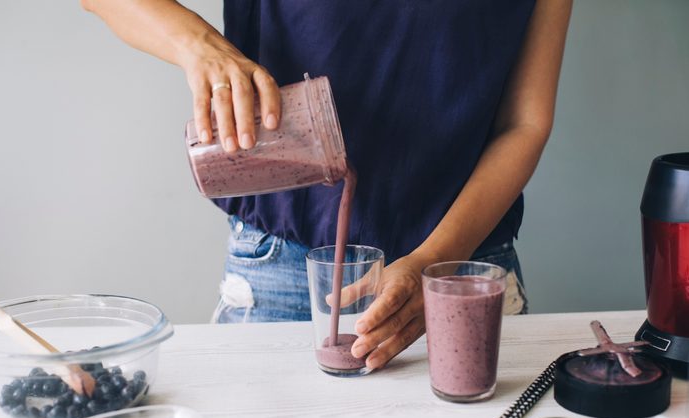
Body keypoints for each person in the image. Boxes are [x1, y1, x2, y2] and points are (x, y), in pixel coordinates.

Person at [82, 0, 572, 371]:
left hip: (462, 272)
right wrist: (201, 47)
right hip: (285, 271)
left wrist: (432, 260)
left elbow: (523, 122)